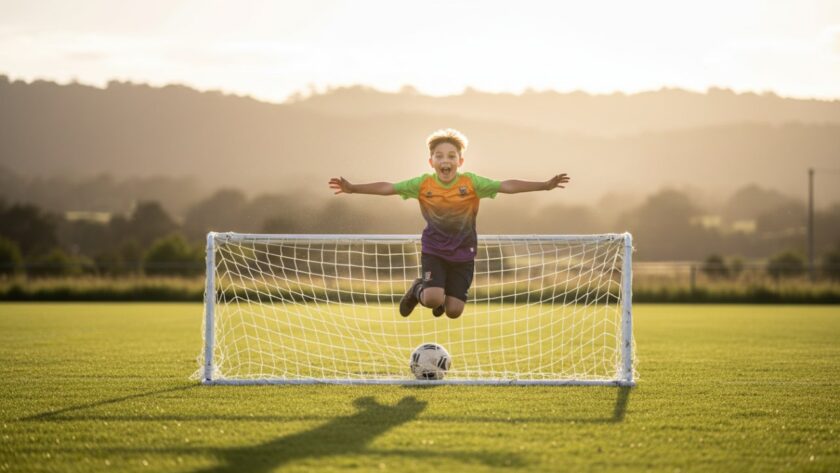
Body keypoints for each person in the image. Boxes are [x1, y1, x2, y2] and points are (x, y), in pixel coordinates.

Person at [328, 128, 570, 319]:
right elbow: (388, 188)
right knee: (433, 298)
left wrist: (544, 185)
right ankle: (418, 290)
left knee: (453, 311)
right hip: (434, 250)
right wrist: (353, 189)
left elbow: (507, 185)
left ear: (460, 161)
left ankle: (440, 296)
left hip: (464, 255)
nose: (446, 160)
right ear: (431, 161)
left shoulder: (472, 183)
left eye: (451, 156)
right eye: (439, 156)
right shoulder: (423, 184)